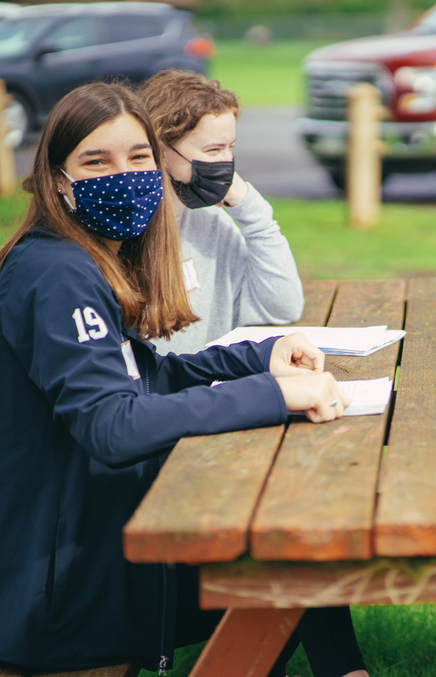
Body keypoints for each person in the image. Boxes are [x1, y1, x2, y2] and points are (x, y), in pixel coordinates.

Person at [0, 82, 366, 677]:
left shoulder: (84, 258)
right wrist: (273, 395)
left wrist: (258, 358)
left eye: (137, 157)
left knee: (286, 547)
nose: (124, 175)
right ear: (59, 181)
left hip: (101, 546)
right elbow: (113, 425)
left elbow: (150, 374)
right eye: (97, 161)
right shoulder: (57, 275)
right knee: (282, 554)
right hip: (67, 587)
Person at [137, 69, 304, 355]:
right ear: (161, 149)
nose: (226, 163)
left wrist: (249, 207)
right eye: (213, 150)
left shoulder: (211, 221)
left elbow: (282, 307)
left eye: (230, 148)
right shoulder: (127, 230)